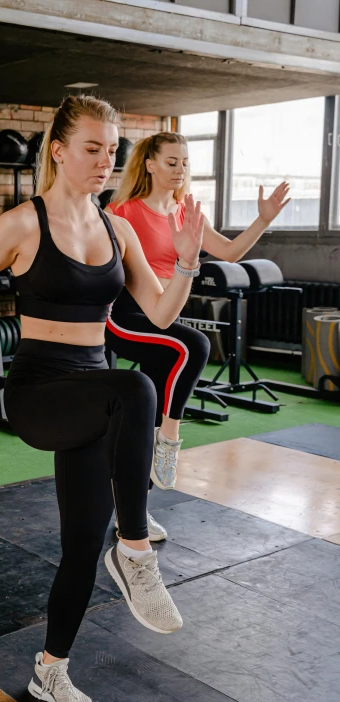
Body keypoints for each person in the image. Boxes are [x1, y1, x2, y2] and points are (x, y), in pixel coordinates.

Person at [0, 96, 203, 702]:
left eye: (113, 150)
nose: (106, 161)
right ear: (58, 149)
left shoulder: (119, 229)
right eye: (92, 147)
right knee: (135, 389)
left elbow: (159, 314)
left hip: (94, 395)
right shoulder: (23, 224)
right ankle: (135, 551)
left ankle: (51, 670)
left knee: (81, 543)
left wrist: (187, 257)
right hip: (40, 393)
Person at [105, 131, 290, 541]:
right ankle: (169, 439)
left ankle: (132, 515)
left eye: (185, 162)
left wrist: (264, 219)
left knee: (143, 418)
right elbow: (108, 269)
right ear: (150, 164)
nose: (180, 169)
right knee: (196, 344)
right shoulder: (124, 211)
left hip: (163, 318)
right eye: (171, 161)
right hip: (125, 316)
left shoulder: (185, 213)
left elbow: (230, 252)